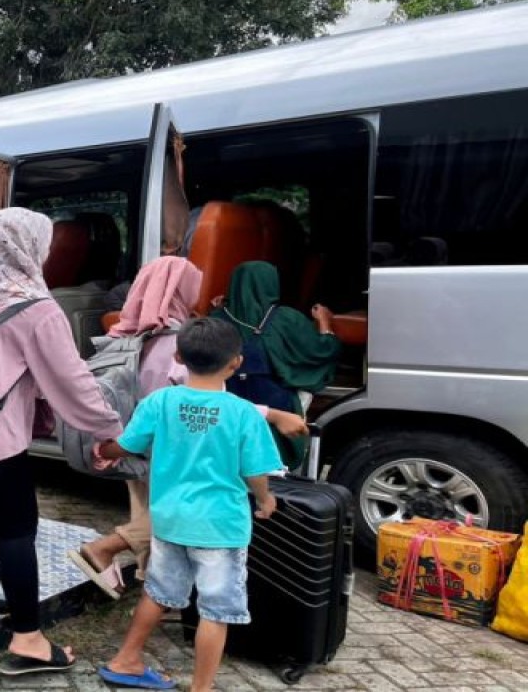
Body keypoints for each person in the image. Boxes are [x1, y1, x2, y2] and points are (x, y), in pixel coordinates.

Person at [0, 207, 122, 675]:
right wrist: (109, 430)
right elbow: (72, 381)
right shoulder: (33, 307)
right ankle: (28, 637)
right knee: (18, 527)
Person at [70, 258, 308, 597]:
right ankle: (106, 550)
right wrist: (275, 415)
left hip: (137, 438)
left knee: (149, 507)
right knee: (177, 512)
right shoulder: (176, 344)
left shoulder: (130, 334)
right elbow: (208, 402)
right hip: (174, 448)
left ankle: (152, 584)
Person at [95, 317, 283, 692]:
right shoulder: (243, 413)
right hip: (220, 527)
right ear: (236, 362)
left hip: (169, 520)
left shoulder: (160, 401)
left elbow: (127, 445)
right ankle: (201, 688)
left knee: (159, 593)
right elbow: (256, 471)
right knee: (215, 610)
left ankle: (126, 659)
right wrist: (265, 499)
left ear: (178, 357)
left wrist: (103, 451)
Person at [211, 260, 341, 467]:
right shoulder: (286, 319)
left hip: (228, 407)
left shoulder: (216, 319)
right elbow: (322, 350)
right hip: (275, 407)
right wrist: (325, 322)